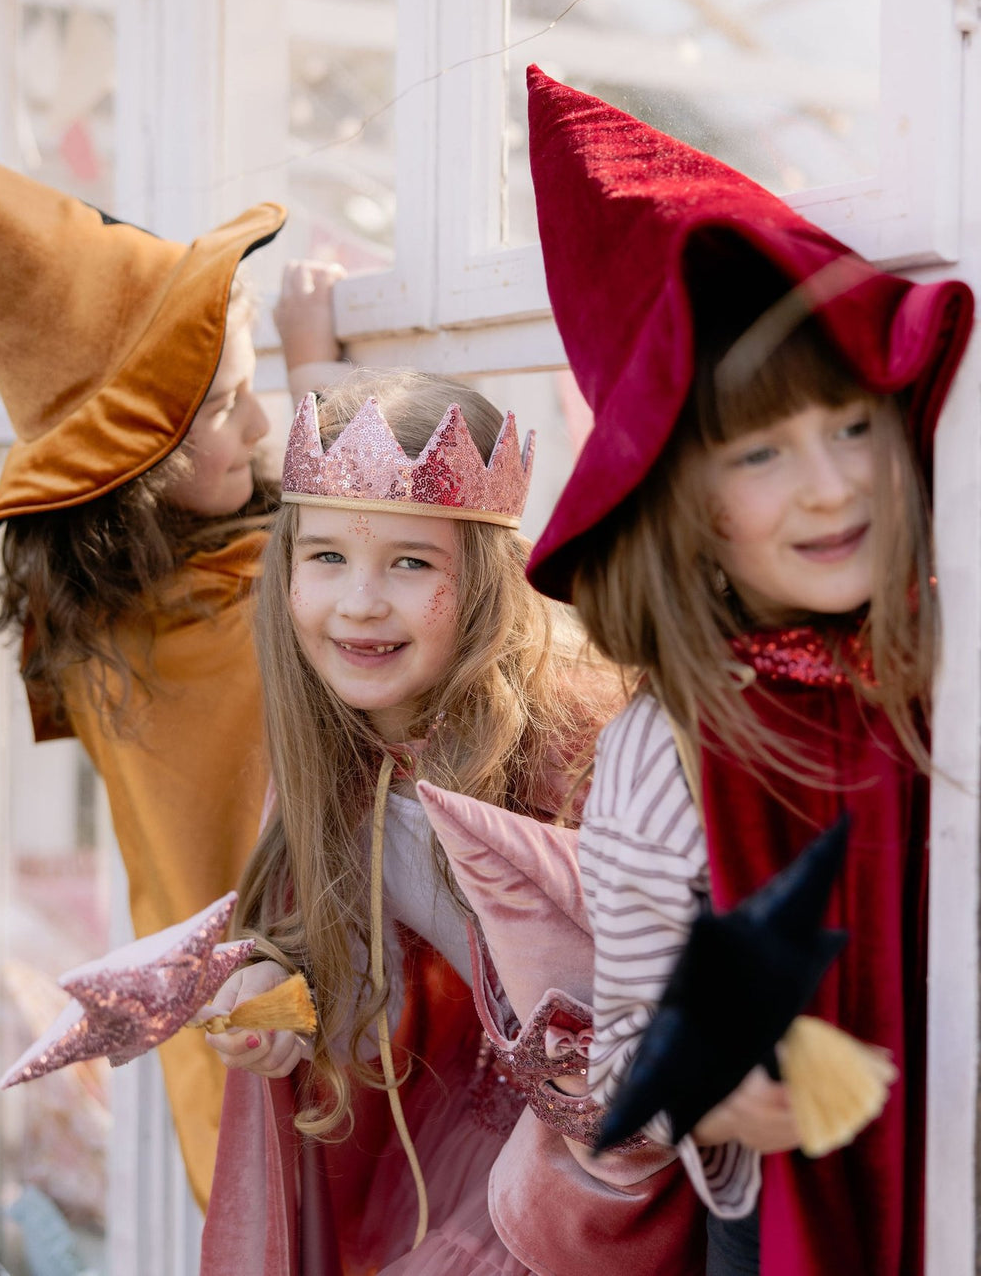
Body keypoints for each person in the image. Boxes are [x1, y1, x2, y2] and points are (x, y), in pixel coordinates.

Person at [521, 66, 974, 1276]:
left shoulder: (950, 658)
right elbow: (622, 1050)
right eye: (761, 453)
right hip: (789, 1225)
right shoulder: (670, 748)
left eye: (851, 425)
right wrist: (718, 1096)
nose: (830, 485)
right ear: (682, 502)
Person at [198, 369, 707, 1276]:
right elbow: (332, 942)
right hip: (450, 1135)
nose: (359, 602)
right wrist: (275, 986)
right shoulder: (336, 746)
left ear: (479, 579)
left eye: (410, 561)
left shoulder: (574, 746)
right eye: (326, 557)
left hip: (596, 1169)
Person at [0, 148, 344, 1206]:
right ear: (128, 465)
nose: (260, 427)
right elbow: (349, 585)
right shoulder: (223, 616)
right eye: (226, 405)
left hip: (226, 1069)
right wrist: (322, 381)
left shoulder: (89, 618)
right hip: (315, 1062)